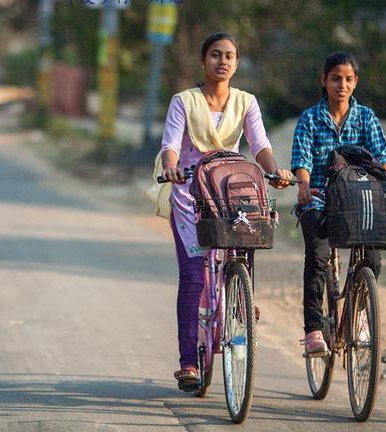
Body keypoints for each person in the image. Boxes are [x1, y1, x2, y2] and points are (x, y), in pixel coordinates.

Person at [160, 32, 291, 384]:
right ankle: (189, 362)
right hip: (190, 197)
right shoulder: (183, 101)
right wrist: (171, 166)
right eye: (215, 55)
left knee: (244, 251)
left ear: (236, 63)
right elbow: (170, 144)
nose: (222, 61)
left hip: (228, 195)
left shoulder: (246, 102)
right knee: (191, 277)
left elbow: (259, 143)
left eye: (229, 56)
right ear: (203, 61)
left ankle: (240, 301)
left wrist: (273, 169)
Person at [291, 52, 386, 354]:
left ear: (355, 82)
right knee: (318, 256)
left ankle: (359, 315)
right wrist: (304, 185)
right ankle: (313, 329)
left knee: (371, 257)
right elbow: (302, 159)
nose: (342, 85)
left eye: (349, 79)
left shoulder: (366, 117)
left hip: (359, 198)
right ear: (324, 80)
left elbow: (382, 158)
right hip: (320, 197)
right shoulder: (310, 118)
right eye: (336, 78)